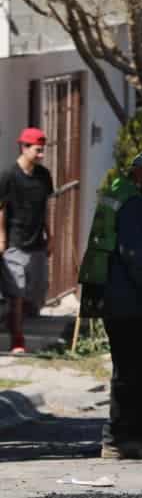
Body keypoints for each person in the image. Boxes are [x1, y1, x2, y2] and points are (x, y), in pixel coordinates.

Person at [79, 152, 142, 459]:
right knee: (139, 367)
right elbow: (133, 255)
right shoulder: (133, 203)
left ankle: (128, 434)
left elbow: (130, 249)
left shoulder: (120, 193)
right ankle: (122, 437)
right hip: (126, 299)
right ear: (140, 173)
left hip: (117, 295)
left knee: (135, 366)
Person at [0, 128, 54, 353]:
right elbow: (1, 209)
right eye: (38, 150)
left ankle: (10, 321)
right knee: (17, 292)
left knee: (38, 291)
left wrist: (51, 236)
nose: (41, 155)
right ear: (24, 147)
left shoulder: (43, 176)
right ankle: (18, 339)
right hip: (15, 241)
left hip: (37, 242)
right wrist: (2, 239)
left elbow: (45, 208)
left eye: (43, 150)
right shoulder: (8, 176)